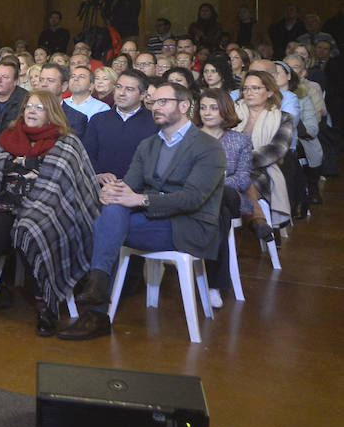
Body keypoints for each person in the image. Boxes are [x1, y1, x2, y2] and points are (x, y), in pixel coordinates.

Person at [59, 82, 226, 340]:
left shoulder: (208, 146)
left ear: (183, 106)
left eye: (162, 102)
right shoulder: (149, 144)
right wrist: (113, 191)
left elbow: (193, 199)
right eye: (153, 101)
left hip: (188, 226)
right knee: (112, 211)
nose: (154, 107)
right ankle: (98, 293)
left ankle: (96, 302)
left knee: (108, 226)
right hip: (151, 221)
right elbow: (130, 183)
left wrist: (140, 200)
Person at [0, 90, 99, 336]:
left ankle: (46, 306)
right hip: (5, 203)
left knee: (31, 230)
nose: (32, 111)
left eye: (39, 107)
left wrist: (38, 204)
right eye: (28, 106)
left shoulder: (67, 142)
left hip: (48, 208)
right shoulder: (9, 139)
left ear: (51, 113)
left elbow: (69, 188)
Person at [196, 88, 257, 304]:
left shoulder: (239, 141)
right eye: (203, 107)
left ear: (225, 110)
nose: (207, 112)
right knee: (219, 213)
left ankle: (213, 285)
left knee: (221, 200)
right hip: (193, 197)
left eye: (213, 107)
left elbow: (243, 179)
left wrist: (212, 184)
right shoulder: (188, 137)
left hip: (228, 195)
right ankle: (215, 285)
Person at [233, 69, 294, 231]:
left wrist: (238, 162)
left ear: (269, 92)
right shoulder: (231, 113)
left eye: (255, 88)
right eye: (245, 88)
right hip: (227, 169)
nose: (249, 92)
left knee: (244, 179)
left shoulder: (283, 118)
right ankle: (258, 221)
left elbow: (276, 150)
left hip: (263, 172)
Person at [81, 70, 158, 181]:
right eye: (118, 87)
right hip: (100, 187)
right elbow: (87, 154)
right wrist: (98, 175)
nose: (121, 93)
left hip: (139, 189)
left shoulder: (155, 122)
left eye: (129, 89)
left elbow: (156, 161)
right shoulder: (98, 119)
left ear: (143, 95)